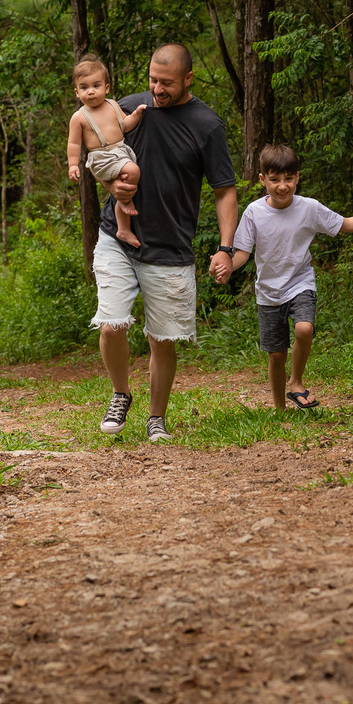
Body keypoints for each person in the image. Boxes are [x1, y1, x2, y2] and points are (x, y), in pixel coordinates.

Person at [91, 43, 238, 442]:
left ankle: (156, 417)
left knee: (163, 339)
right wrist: (110, 184)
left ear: (188, 79)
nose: (157, 89)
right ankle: (121, 394)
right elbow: (98, 154)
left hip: (171, 247)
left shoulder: (206, 124)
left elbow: (224, 189)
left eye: (167, 83)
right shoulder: (128, 108)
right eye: (153, 80)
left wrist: (226, 247)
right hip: (117, 237)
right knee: (111, 323)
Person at [218, 144, 353, 411]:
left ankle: (296, 382)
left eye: (289, 178)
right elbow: (242, 254)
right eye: (275, 180)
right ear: (262, 180)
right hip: (268, 292)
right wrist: (228, 266)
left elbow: (345, 224)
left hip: (300, 283)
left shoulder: (309, 208)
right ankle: (280, 409)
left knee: (304, 328)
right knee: (276, 354)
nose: (282, 186)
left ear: (297, 177)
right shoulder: (254, 213)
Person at [67, 55, 148, 247]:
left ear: (107, 87)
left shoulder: (112, 105)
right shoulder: (79, 117)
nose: (91, 92)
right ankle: (126, 203)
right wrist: (72, 165)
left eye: (96, 86)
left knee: (124, 183)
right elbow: (74, 144)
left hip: (120, 152)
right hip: (101, 158)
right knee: (133, 171)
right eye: (85, 88)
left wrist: (136, 115)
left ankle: (123, 229)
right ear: (77, 93)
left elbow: (125, 126)